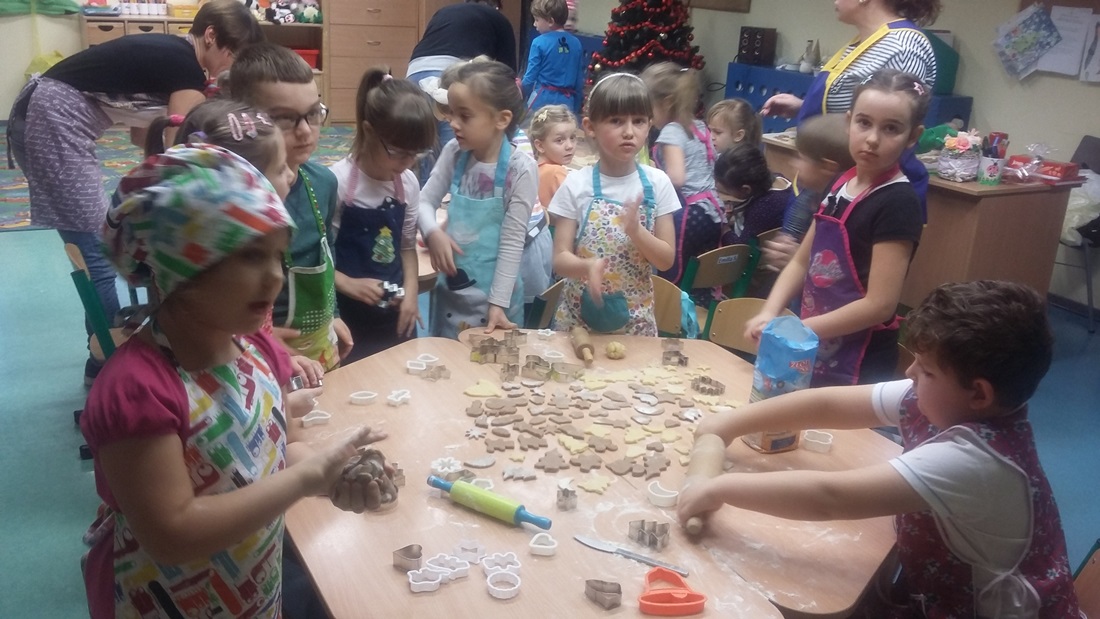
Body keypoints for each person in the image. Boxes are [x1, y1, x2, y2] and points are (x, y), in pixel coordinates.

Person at [81, 144, 396, 619]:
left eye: (278, 257)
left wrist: (335, 473)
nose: (274, 277)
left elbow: (286, 450)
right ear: (180, 264)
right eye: (249, 257)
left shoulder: (260, 350)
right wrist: (304, 479)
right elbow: (172, 533)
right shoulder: (138, 388)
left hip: (252, 590)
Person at [678, 280, 1082, 618]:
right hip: (938, 593)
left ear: (979, 393)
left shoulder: (976, 462)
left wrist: (716, 489)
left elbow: (829, 498)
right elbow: (830, 404)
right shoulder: (944, 399)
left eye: (926, 369)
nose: (910, 372)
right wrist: (731, 423)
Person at [6, 0, 263, 385]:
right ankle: (108, 364)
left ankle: (108, 354)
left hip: (41, 115)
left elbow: (143, 136)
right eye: (234, 53)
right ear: (211, 36)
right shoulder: (185, 65)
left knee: (93, 243)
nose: (233, 64)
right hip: (51, 120)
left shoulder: (172, 58)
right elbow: (179, 148)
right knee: (96, 252)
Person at [745, 69, 926, 387]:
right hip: (815, 342)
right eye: (864, 123)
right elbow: (801, 261)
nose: (873, 139)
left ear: (913, 136)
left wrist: (802, 329)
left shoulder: (898, 202)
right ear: (849, 122)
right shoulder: (841, 183)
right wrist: (770, 312)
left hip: (859, 361)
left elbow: (879, 304)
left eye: (891, 128)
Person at [228, 42, 353, 372]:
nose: (306, 131)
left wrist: (333, 313)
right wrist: (262, 337)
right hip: (248, 349)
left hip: (317, 342)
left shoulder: (324, 183)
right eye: (284, 118)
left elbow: (325, 253)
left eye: (313, 113)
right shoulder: (233, 199)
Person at [761, 0, 939, 213]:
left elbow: (895, 118)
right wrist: (803, 107)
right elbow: (863, 108)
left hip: (862, 195)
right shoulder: (866, 41)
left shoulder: (903, 47)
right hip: (830, 186)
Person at [548, 72, 679, 336]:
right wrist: (587, 266)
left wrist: (637, 231)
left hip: (636, 325)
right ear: (590, 127)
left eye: (638, 121)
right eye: (616, 121)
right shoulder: (576, 185)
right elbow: (560, 259)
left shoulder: (658, 183)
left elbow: (666, 260)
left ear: (649, 125)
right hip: (577, 326)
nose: (629, 132)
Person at [418, 58, 538, 337]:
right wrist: (433, 233)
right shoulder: (454, 152)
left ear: (501, 119)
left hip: (497, 302)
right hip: (450, 296)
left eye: (465, 116)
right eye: (451, 113)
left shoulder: (520, 169)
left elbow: (512, 243)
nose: (453, 123)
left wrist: (498, 303)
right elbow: (423, 202)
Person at [330, 69, 436, 362]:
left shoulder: (408, 183)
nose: (408, 162)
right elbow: (318, 257)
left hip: (394, 315)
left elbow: (406, 247)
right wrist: (348, 284)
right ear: (368, 131)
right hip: (347, 315)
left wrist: (411, 294)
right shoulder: (338, 182)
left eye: (416, 153)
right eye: (397, 152)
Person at [407, 0, 517, 180]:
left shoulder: (445, 11)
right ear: (496, 6)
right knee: (455, 149)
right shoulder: (499, 19)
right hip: (451, 75)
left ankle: (420, 192)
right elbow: (506, 76)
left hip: (415, 72)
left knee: (422, 149)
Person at [640, 63, 722, 289]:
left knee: (671, 276)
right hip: (712, 212)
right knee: (698, 276)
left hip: (689, 214)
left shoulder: (671, 131)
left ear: (666, 102)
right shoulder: (699, 126)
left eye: (649, 107)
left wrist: (651, 178)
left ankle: (671, 306)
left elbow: (677, 178)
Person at [762, 113, 855, 273]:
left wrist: (801, 261)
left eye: (801, 158)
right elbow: (789, 237)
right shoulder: (808, 197)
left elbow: (840, 275)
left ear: (828, 167)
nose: (793, 163)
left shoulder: (844, 216)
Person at [716, 143, 791, 248]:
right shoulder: (777, 179)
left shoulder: (763, 207)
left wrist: (725, 229)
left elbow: (741, 249)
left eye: (727, 190)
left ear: (746, 189)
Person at [522, 0, 585, 116]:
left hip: (542, 100)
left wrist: (521, 96)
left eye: (537, 20)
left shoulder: (538, 43)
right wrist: (575, 108)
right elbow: (579, 81)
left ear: (550, 21)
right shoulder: (576, 43)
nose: (534, 24)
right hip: (567, 102)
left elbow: (529, 78)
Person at [529, 104, 578, 210]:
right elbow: (577, 207)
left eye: (572, 137)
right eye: (559, 140)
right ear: (540, 145)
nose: (569, 146)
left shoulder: (534, 170)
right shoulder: (556, 172)